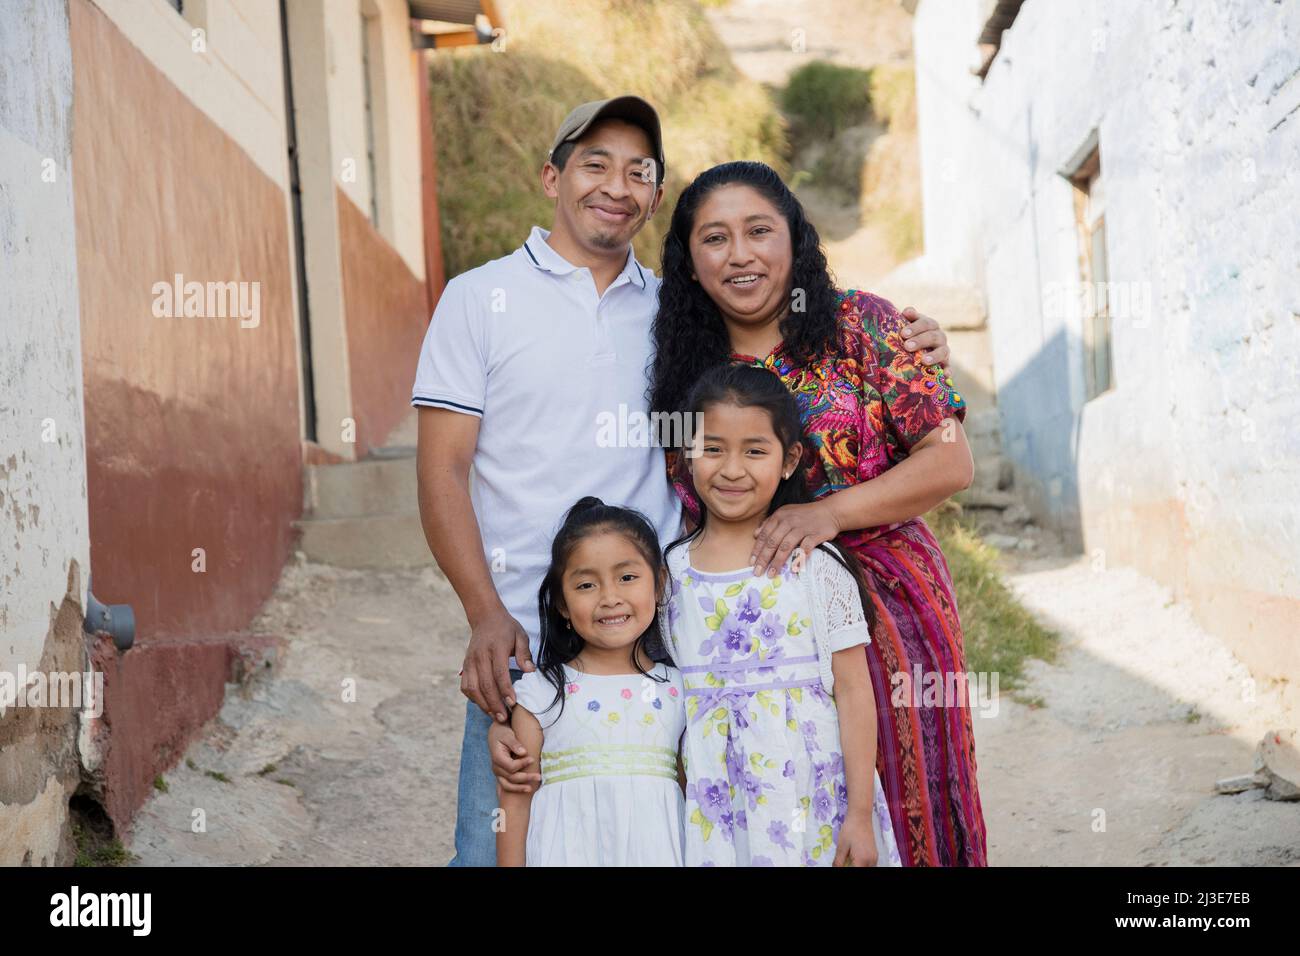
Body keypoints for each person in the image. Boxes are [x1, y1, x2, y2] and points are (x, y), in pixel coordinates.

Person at [416, 96, 953, 867]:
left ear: (655, 196)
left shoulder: (675, 312)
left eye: (639, 171)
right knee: (498, 844)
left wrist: (917, 340)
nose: (616, 184)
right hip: (528, 645)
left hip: (672, 646)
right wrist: (482, 611)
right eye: (594, 163)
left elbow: (785, 320)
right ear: (551, 177)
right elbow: (440, 467)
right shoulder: (479, 298)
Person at [648, 160, 988, 866]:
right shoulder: (682, 368)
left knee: (907, 797)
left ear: (794, 240)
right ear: (690, 263)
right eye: (714, 239)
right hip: (753, 627)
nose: (740, 254)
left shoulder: (864, 325)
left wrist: (827, 515)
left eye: (759, 231)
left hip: (893, 611)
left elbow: (950, 459)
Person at [662, 363, 902, 867]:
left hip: (816, 799)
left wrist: (859, 815)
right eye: (712, 449)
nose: (731, 469)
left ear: (790, 460)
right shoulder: (668, 576)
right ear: (687, 454)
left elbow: (855, 691)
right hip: (718, 813)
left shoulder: (814, 566)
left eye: (754, 451)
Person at [497, 498, 686, 867]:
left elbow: (688, 790)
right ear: (562, 605)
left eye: (627, 578)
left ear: (659, 583)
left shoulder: (679, 690)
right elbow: (515, 802)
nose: (610, 598)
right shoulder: (541, 694)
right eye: (586, 585)